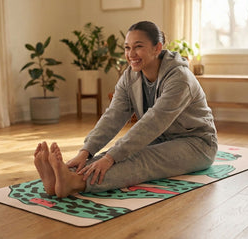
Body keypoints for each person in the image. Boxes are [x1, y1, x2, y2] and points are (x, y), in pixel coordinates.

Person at [34, 21, 218, 198]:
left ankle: (75, 182)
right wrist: (86, 151)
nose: (131, 54)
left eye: (138, 46)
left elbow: (153, 122)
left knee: (140, 158)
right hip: (159, 138)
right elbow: (112, 116)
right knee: (113, 155)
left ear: (157, 48)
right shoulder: (130, 76)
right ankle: (62, 177)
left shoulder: (180, 78)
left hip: (197, 143)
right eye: (127, 47)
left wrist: (112, 157)